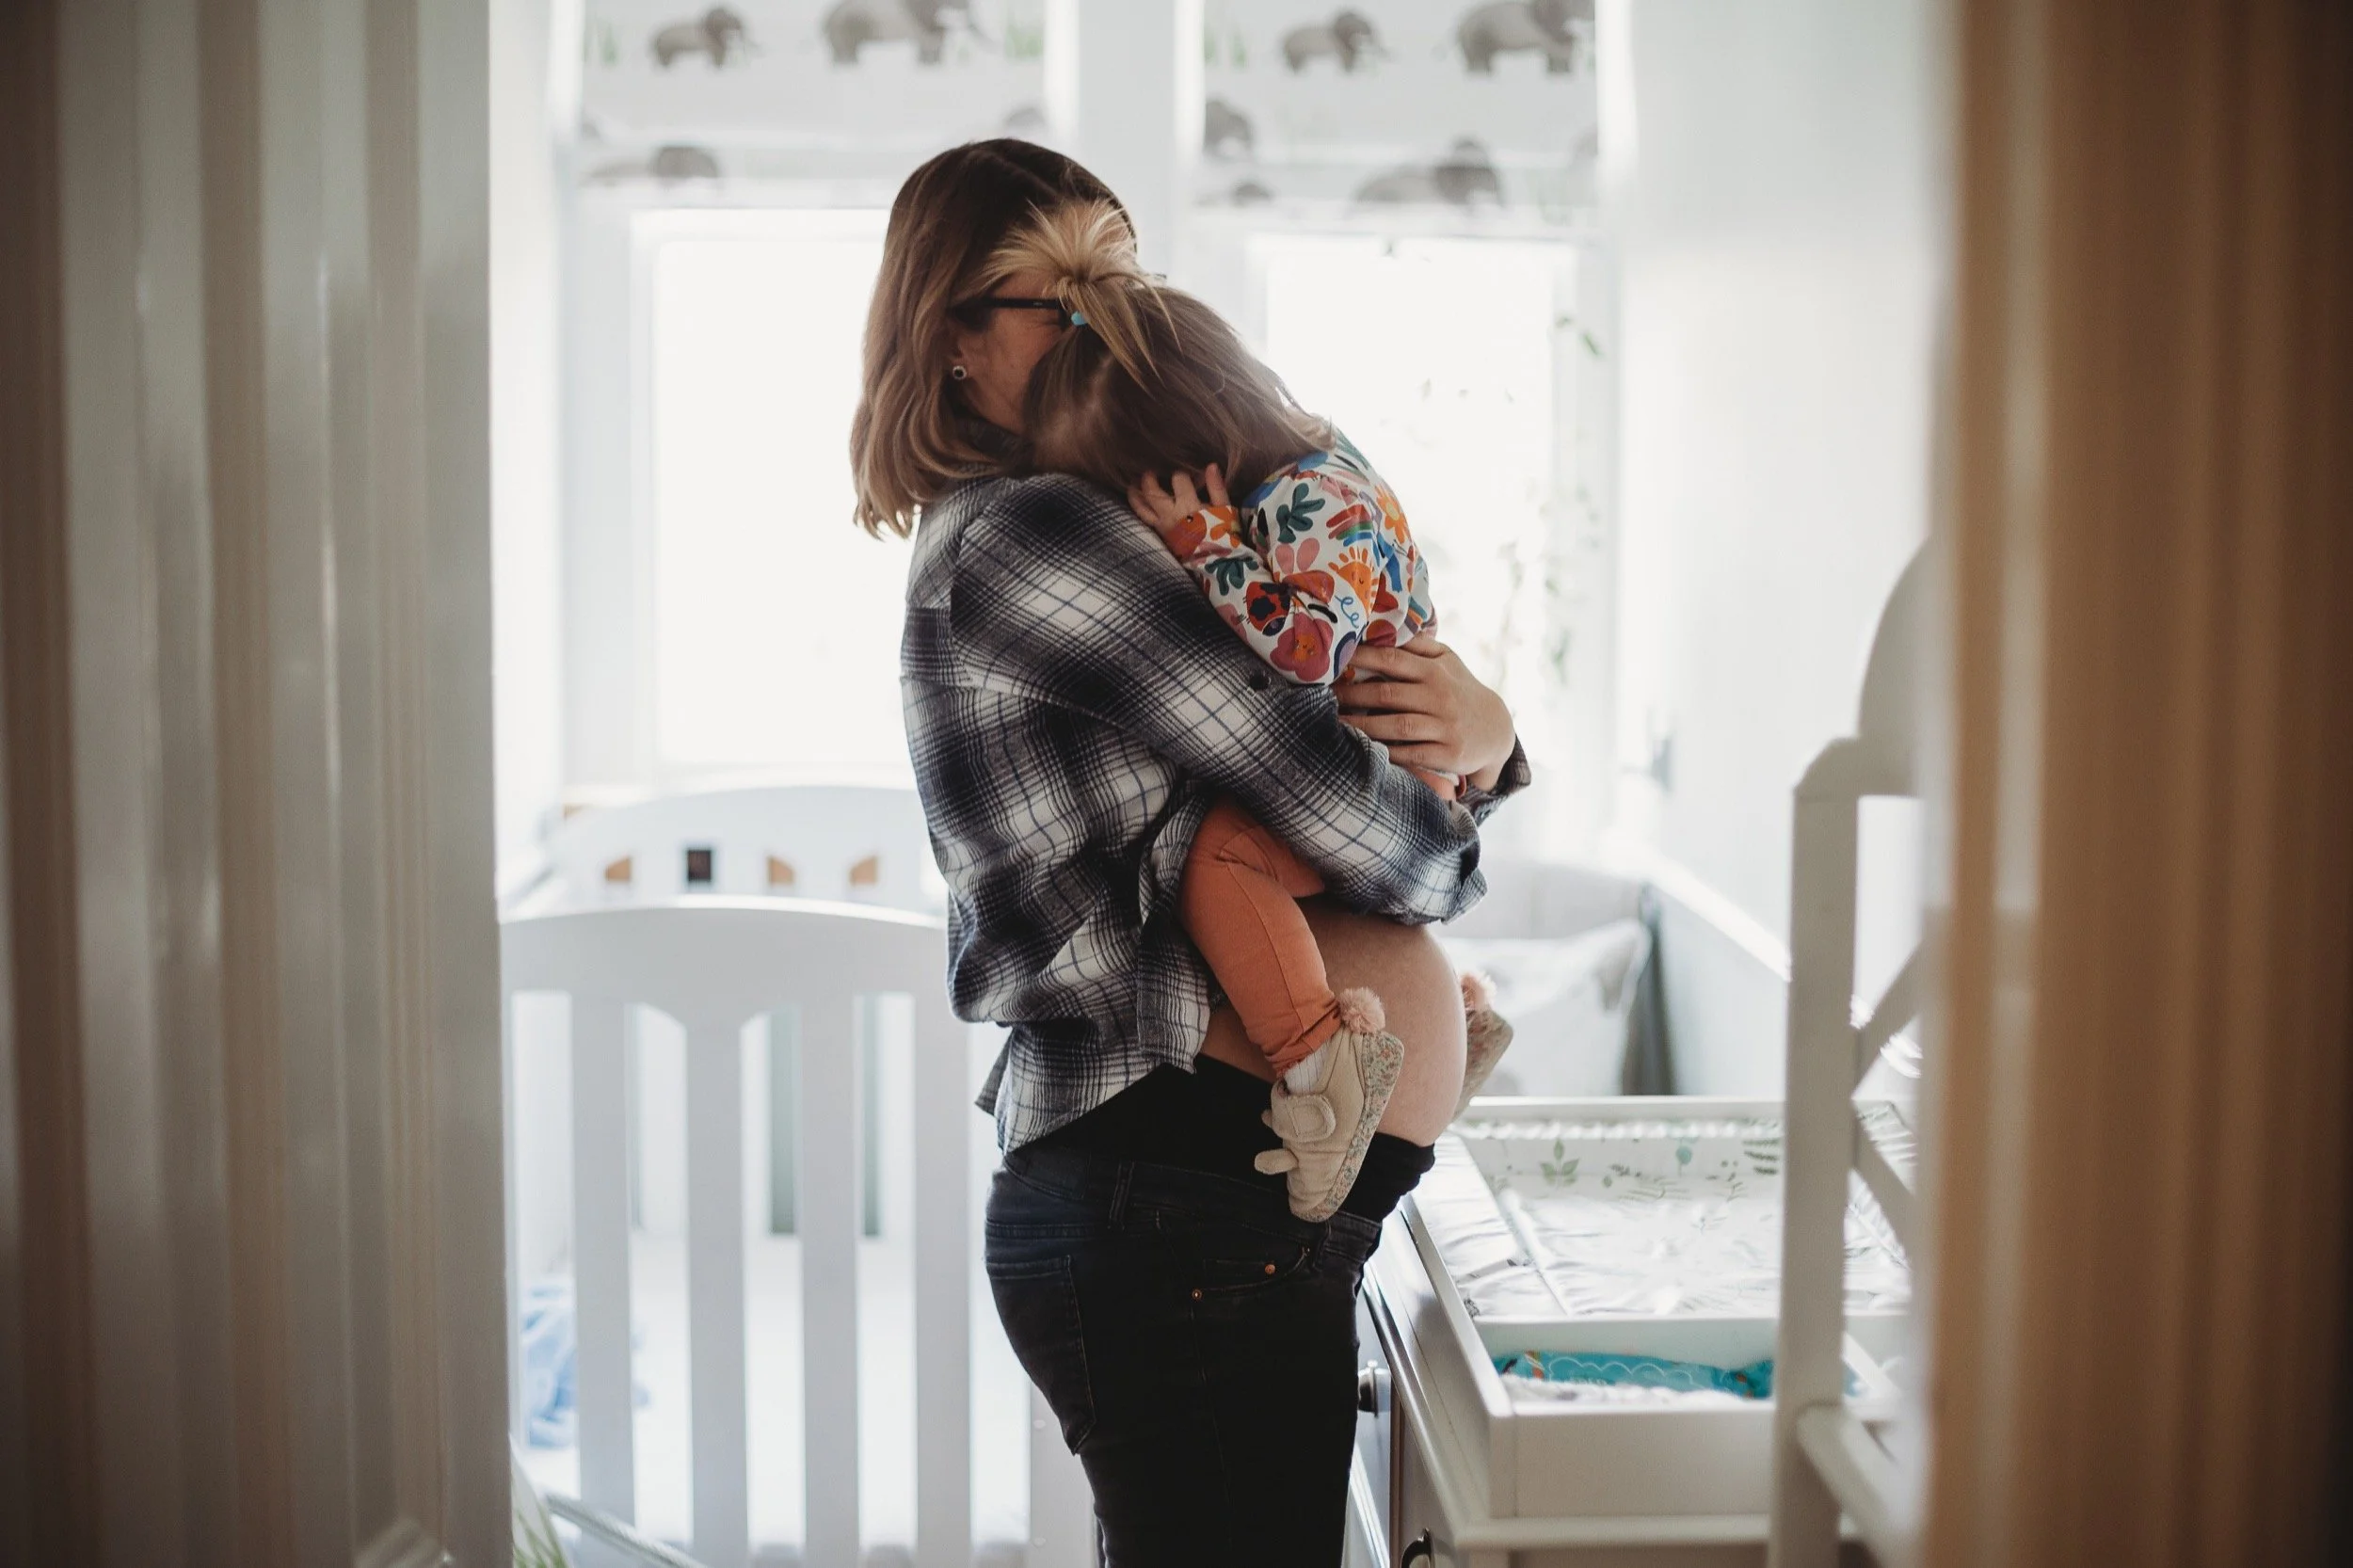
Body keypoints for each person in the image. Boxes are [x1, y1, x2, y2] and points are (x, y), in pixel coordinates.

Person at [853, 139, 1529, 1565]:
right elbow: (1333, 799)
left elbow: (1333, 723)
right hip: (1172, 1200)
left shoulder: (1126, 524)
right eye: (1053, 291)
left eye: (1121, 268)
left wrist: (1483, 727)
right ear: (952, 343)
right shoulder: (1037, 538)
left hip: (1202, 1206)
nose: (1103, 315)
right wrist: (1464, 803)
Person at [997, 198, 1519, 1221]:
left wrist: (1204, 546)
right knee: (1295, 884)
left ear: (1190, 461)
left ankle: (1321, 1066)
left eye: (1131, 497)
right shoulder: (1331, 461)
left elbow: (1306, 647)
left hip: (1393, 771)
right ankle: (1450, 1021)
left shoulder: (1297, 504)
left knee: (1226, 859)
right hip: (1399, 773)